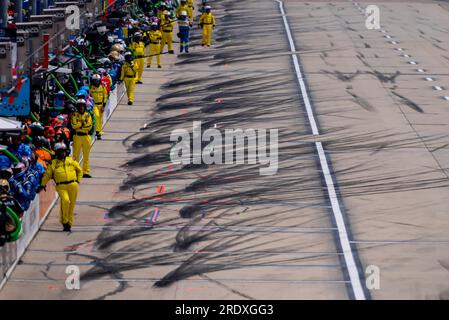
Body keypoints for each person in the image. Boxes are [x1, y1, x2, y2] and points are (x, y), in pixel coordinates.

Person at [37, 143, 83, 232]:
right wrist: (42, 185)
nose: (63, 153)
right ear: (57, 153)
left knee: (71, 205)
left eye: (64, 151)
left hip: (73, 185)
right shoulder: (53, 164)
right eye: (60, 151)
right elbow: (47, 175)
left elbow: (79, 170)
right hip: (61, 186)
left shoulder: (71, 160)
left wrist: (78, 180)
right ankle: (64, 221)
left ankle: (69, 223)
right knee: (65, 201)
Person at [71, 99, 93, 178]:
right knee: (75, 155)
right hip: (77, 136)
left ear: (85, 106)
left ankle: (85, 172)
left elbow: (89, 126)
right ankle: (75, 171)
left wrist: (79, 125)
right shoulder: (74, 115)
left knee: (86, 155)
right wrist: (82, 124)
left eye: (83, 106)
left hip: (86, 136)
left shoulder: (88, 115)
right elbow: (73, 125)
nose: (81, 107)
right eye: (80, 105)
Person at [90, 74, 109, 140]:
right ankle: (97, 131)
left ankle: (99, 132)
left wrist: (104, 105)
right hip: (94, 105)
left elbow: (105, 96)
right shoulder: (91, 87)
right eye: (95, 81)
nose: (96, 82)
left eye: (97, 80)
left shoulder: (102, 87)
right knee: (97, 116)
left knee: (100, 119)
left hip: (101, 105)